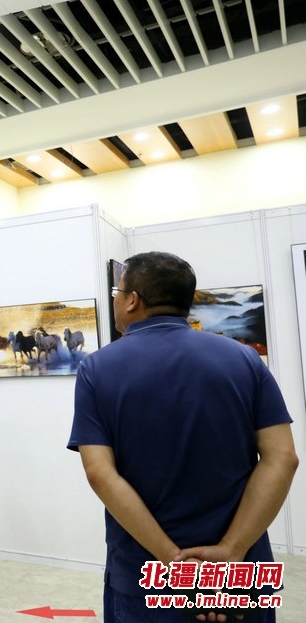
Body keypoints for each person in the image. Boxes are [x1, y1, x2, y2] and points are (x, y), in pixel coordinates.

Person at [67, 251, 298, 623]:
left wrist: (177, 565)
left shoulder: (97, 368)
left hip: (147, 578)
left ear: (132, 299)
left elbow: (100, 473)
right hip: (237, 577)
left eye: (117, 292)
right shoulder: (244, 359)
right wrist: (231, 551)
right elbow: (283, 458)